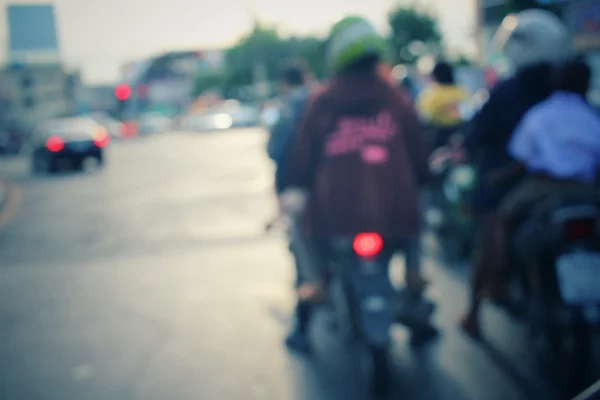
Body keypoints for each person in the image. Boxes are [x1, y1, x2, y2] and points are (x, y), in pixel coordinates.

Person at [281, 15, 433, 352]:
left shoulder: (322, 100)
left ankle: (315, 282)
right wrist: (421, 179)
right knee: (419, 205)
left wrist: (295, 187)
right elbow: (420, 154)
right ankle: (414, 273)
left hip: (335, 217)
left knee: (294, 216)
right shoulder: (395, 98)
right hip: (395, 215)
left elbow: (301, 158)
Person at [459, 9, 573, 338]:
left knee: (489, 237)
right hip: (569, 183)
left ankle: (478, 307)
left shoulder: (508, 91)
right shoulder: (563, 86)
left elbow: (477, 135)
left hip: (511, 184)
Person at [266, 59, 313, 230]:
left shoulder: (286, 108)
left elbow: (275, 151)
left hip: (295, 186)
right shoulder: (322, 99)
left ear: (284, 83)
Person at [416, 61, 469, 148]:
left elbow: (424, 116)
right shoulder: (462, 91)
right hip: (460, 133)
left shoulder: (430, 94)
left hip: (438, 135)